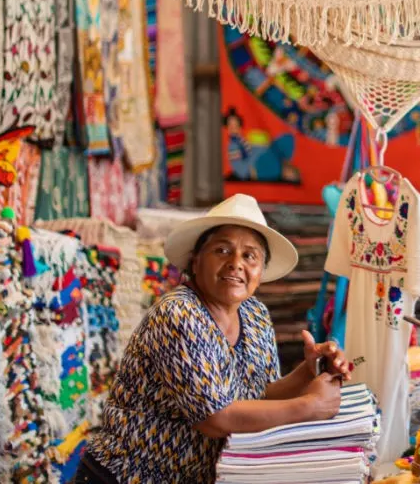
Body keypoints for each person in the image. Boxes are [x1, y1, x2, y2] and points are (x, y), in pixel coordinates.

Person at [73, 194, 352, 484]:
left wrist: (310, 370)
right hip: (122, 476)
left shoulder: (255, 314)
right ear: (195, 263)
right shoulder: (180, 313)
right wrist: (308, 406)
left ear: (261, 271)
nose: (236, 263)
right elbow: (216, 417)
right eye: (222, 250)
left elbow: (260, 395)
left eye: (250, 256)